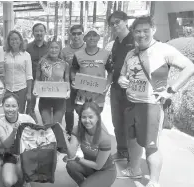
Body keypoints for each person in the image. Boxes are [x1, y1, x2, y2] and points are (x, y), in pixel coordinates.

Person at [117, 16, 194, 187]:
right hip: (131, 103)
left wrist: (171, 90)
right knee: (132, 140)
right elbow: (123, 75)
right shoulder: (131, 53)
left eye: (145, 30)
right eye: (137, 31)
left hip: (150, 106)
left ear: (153, 30)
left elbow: (190, 67)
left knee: (151, 145)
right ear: (133, 32)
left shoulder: (164, 50)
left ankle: (153, 182)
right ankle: (134, 168)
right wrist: (122, 80)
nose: (141, 34)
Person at [63, 101, 116, 187]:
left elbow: (98, 166)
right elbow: (71, 154)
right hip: (90, 167)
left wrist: (77, 159)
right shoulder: (77, 130)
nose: (87, 121)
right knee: (70, 165)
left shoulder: (104, 138)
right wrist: (64, 138)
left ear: (98, 117)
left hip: (105, 170)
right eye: (84, 117)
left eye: (91, 117)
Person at [106, 11, 136, 161]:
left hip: (132, 89)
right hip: (116, 88)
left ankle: (133, 157)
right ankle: (122, 151)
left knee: (130, 123)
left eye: (117, 22)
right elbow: (113, 67)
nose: (115, 25)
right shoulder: (116, 42)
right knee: (117, 121)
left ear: (126, 21)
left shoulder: (136, 39)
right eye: (112, 23)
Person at [0, 93, 36, 187]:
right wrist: (14, 131)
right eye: (7, 106)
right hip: (10, 154)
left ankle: (26, 179)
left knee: (23, 171)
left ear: (18, 107)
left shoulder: (27, 118)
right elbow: (6, 145)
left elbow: (37, 136)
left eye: (14, 106)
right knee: (9, 182)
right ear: (3, 106)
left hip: (27, 154)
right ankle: (16, 171)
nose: (10, 109)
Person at [71, 29, 112, 115]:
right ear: (84, 38)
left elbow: (111, 72)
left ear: (98, 38)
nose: (91, 38)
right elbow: (73, 70)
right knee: (82, 120)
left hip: (98, 96)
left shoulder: (106, 54)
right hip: (82, 96)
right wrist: (74, 80)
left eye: (94, 35)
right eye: (89, 36)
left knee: (95, 121)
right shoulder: (78, 54)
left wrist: (107, 85)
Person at [34, 40, 70, 124]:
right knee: (47, 124)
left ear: (60, 49)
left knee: (56, 125)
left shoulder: (65, 64)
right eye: (51, 48)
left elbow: (67, 79)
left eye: (56, 48)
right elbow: (37, 78)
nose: (53, 50)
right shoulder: (42, 62)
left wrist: (68, 91)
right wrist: (35, 89)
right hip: (45, 99)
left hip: (60, 100)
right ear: (48, 49)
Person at [61, 24, 86, 136]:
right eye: (74, 34)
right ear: (70, 35)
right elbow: (60, 67)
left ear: (83, 34)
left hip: (84, 85)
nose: (76, 36)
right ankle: (69, 132)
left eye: (79, 33)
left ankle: (83, 132)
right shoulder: (65, 51)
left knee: (83, 109)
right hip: (69, 85)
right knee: (68, 110)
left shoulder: (88, 48)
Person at [4, 30, 33, 113]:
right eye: (12, 39)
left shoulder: (26, 55)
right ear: (9, 41)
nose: (14, 41)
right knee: (8, 112)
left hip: (21, 89)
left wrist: (29, 93)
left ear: (20, 41)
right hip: (8, 89)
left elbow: (29, 75)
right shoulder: (4, 54)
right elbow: (3, 72)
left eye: (16, 39)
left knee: (19, 113)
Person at [26, 23, 49, 122]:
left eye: (41, 31)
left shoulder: (50, 47)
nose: (39, 33)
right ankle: (30, 122)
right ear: (33, 33)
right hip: (32, 81)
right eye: (36, 31)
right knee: (31, 103)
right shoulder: (27, 47)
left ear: (45, 32)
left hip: (46, 81)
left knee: (45, 105)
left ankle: (47, 121)